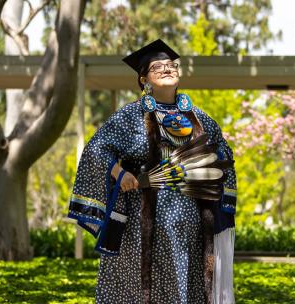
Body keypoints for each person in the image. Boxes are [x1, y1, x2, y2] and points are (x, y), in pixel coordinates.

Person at [68, 39, 237, 304]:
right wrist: (120, 174)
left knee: (187, 283)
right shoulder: (130, 116)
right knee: (140, 287)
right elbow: (96, 149)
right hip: (140, 224)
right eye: (158, 67)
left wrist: (208, 164)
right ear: (143, 78)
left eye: (171, 65)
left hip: (189, 224)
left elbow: (223, 155)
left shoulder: (200, 118)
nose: (167, 69)